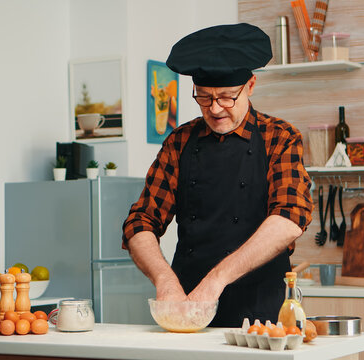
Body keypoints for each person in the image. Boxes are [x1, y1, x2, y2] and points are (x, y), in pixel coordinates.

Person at [122, 23, 313, 327]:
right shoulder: (179, 141)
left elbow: (289, 218)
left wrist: (216, 281)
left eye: (226, 97)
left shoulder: (279, 137)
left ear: (250, 86)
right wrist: (165, 281)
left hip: (261, 317)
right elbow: (140, 222)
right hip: (187, 312)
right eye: (204, 97)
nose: (215, 109)